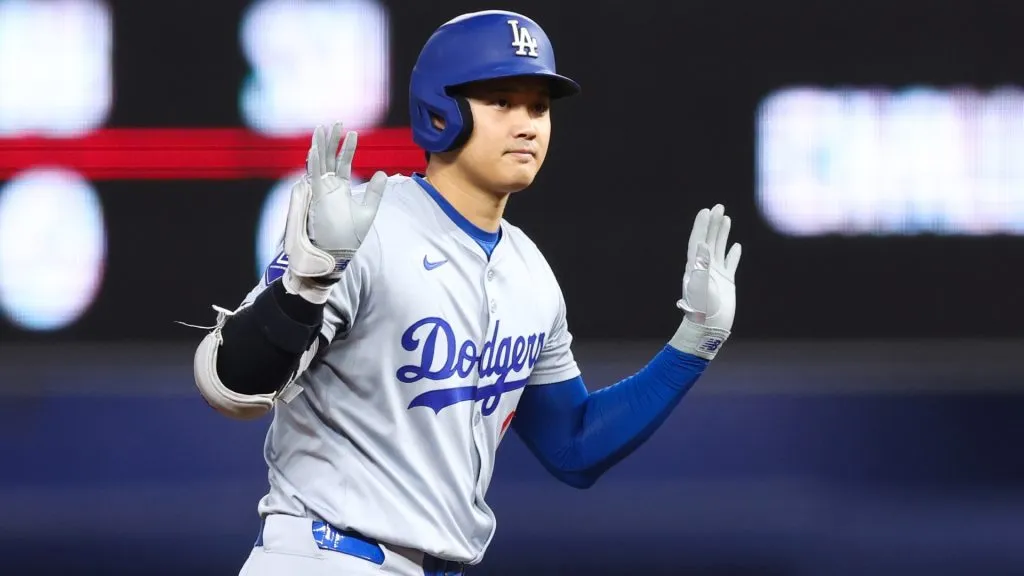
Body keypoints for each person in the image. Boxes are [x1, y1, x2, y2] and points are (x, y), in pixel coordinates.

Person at [192, 9, 742, 576]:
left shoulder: (530, 272)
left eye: (539, 107)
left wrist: (694, 341)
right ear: (440, 112)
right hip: (327, 557)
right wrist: (305, 283)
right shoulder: (364, 228)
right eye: (501, 101)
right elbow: (228, 386)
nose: (527, 124)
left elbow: (573, 446)